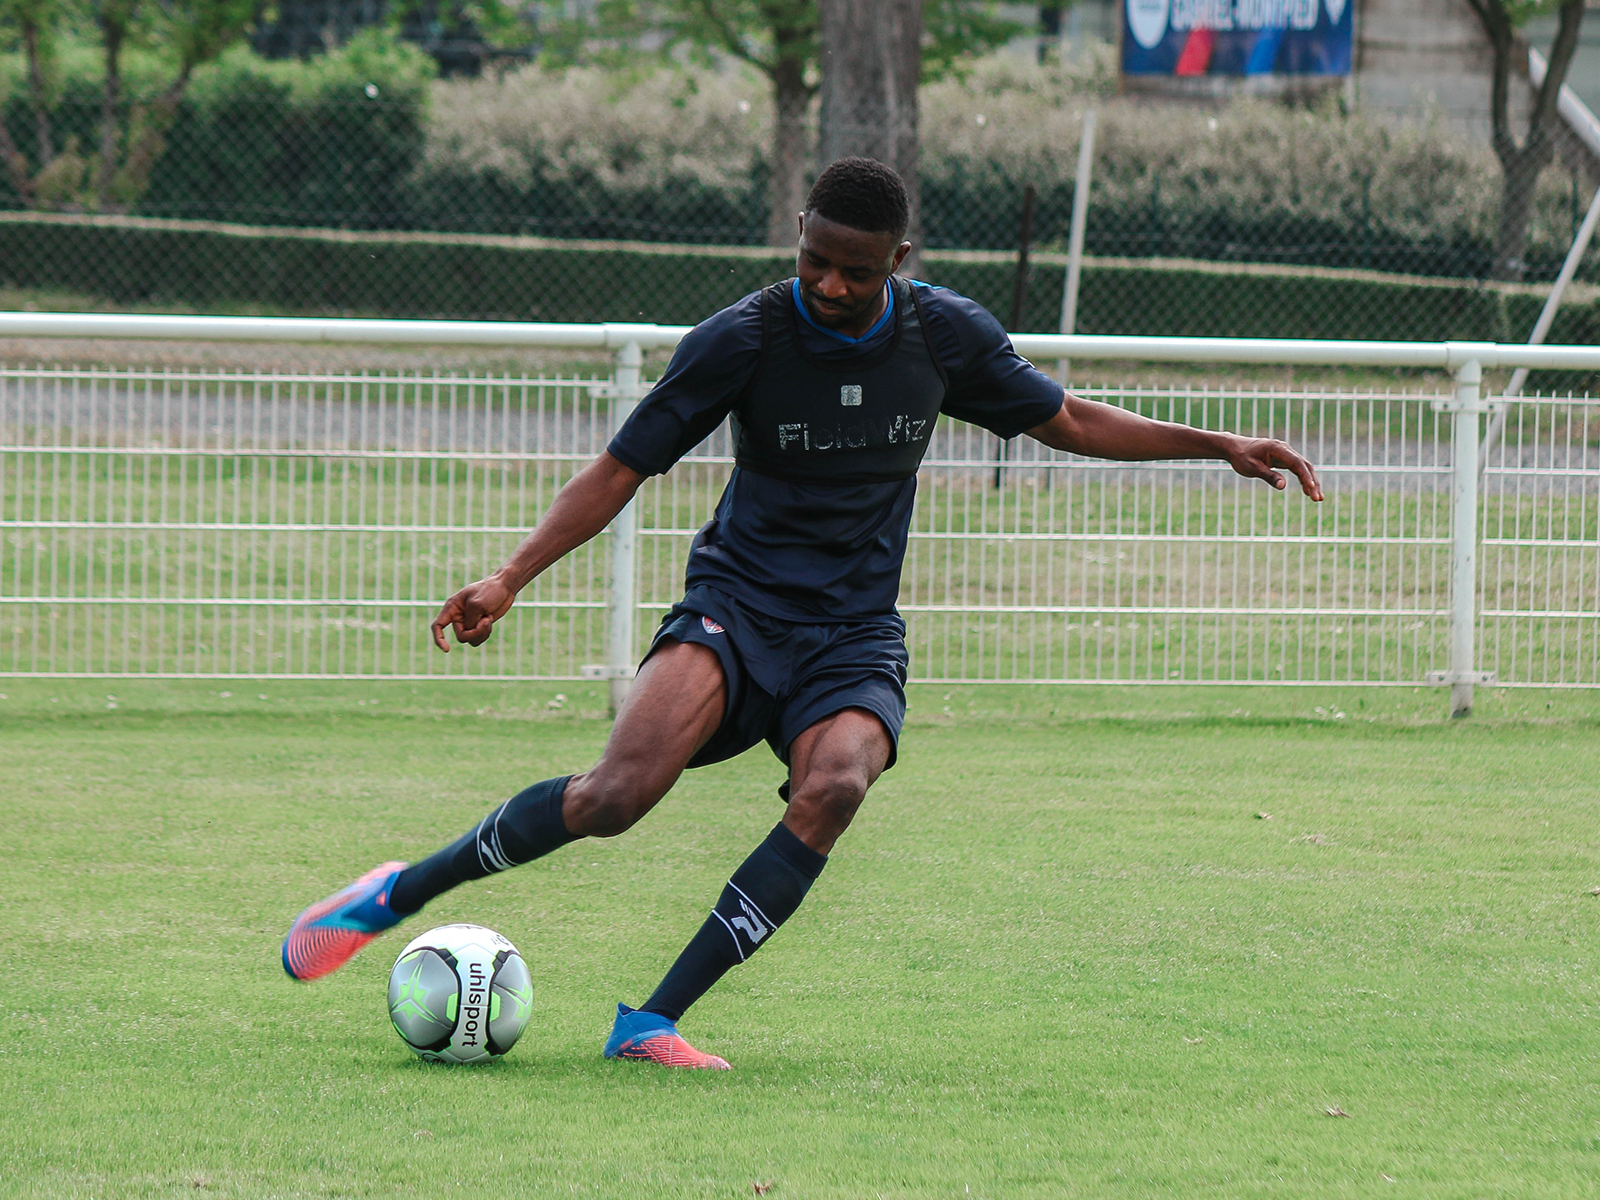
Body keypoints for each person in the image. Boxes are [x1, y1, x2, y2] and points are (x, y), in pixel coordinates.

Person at [281, 157, 1323, 1069]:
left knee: (837, 782)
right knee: (615, 797)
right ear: (799, 239)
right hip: (736, 607)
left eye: (855, 270)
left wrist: (1216, 445)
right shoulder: (742, 338)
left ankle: (649, 1021)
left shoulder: (941, 335)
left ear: (897, 260)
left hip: (854, 632)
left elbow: (1070, 420)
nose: (830, 284)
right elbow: (620, 469)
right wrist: (510, 576)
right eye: (816, 260)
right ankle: (396, 894)